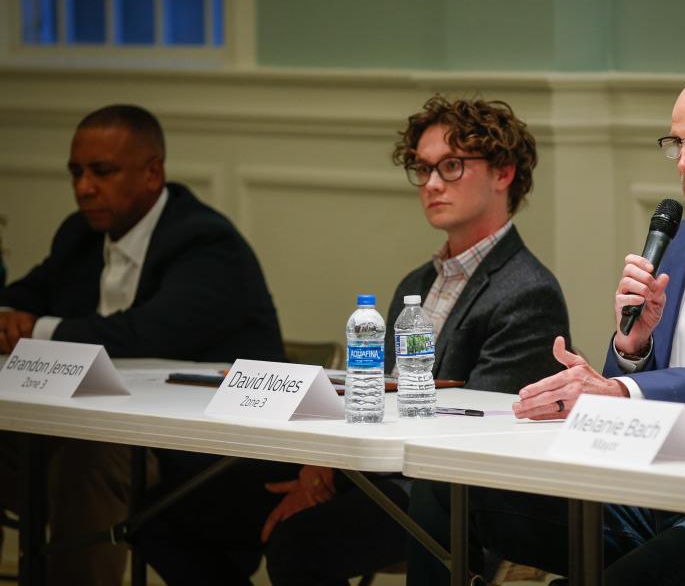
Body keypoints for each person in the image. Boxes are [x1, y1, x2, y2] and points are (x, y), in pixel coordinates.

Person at [407, 68, 685, 585]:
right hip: (645, 490)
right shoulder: (681, 236)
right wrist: (632, 347)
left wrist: (619, 389)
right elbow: (632, 380)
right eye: (677, 144)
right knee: (446, 486)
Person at [135, 96, 572, 586]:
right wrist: (321, 467)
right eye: (422, 168)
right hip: (373, 472)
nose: (430, 184)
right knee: (162, 517)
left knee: (299, 542)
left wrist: (331, 475)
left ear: (503, 173)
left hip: (448, 494)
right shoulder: (416, 283)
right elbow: (382, 394)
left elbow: (473, 430)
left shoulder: (528, 291)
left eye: (451, 167)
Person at [0, 104, 287, 586]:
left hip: (208, 452)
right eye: (76, 172)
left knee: (86, 454)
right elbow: (22, 296)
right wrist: (10, 319)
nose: (84, 188)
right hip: (101, 432)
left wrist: (31, 330)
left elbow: (141, 337)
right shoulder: (80, 235)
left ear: (153, 174)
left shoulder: (205, 242)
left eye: (102, 171)